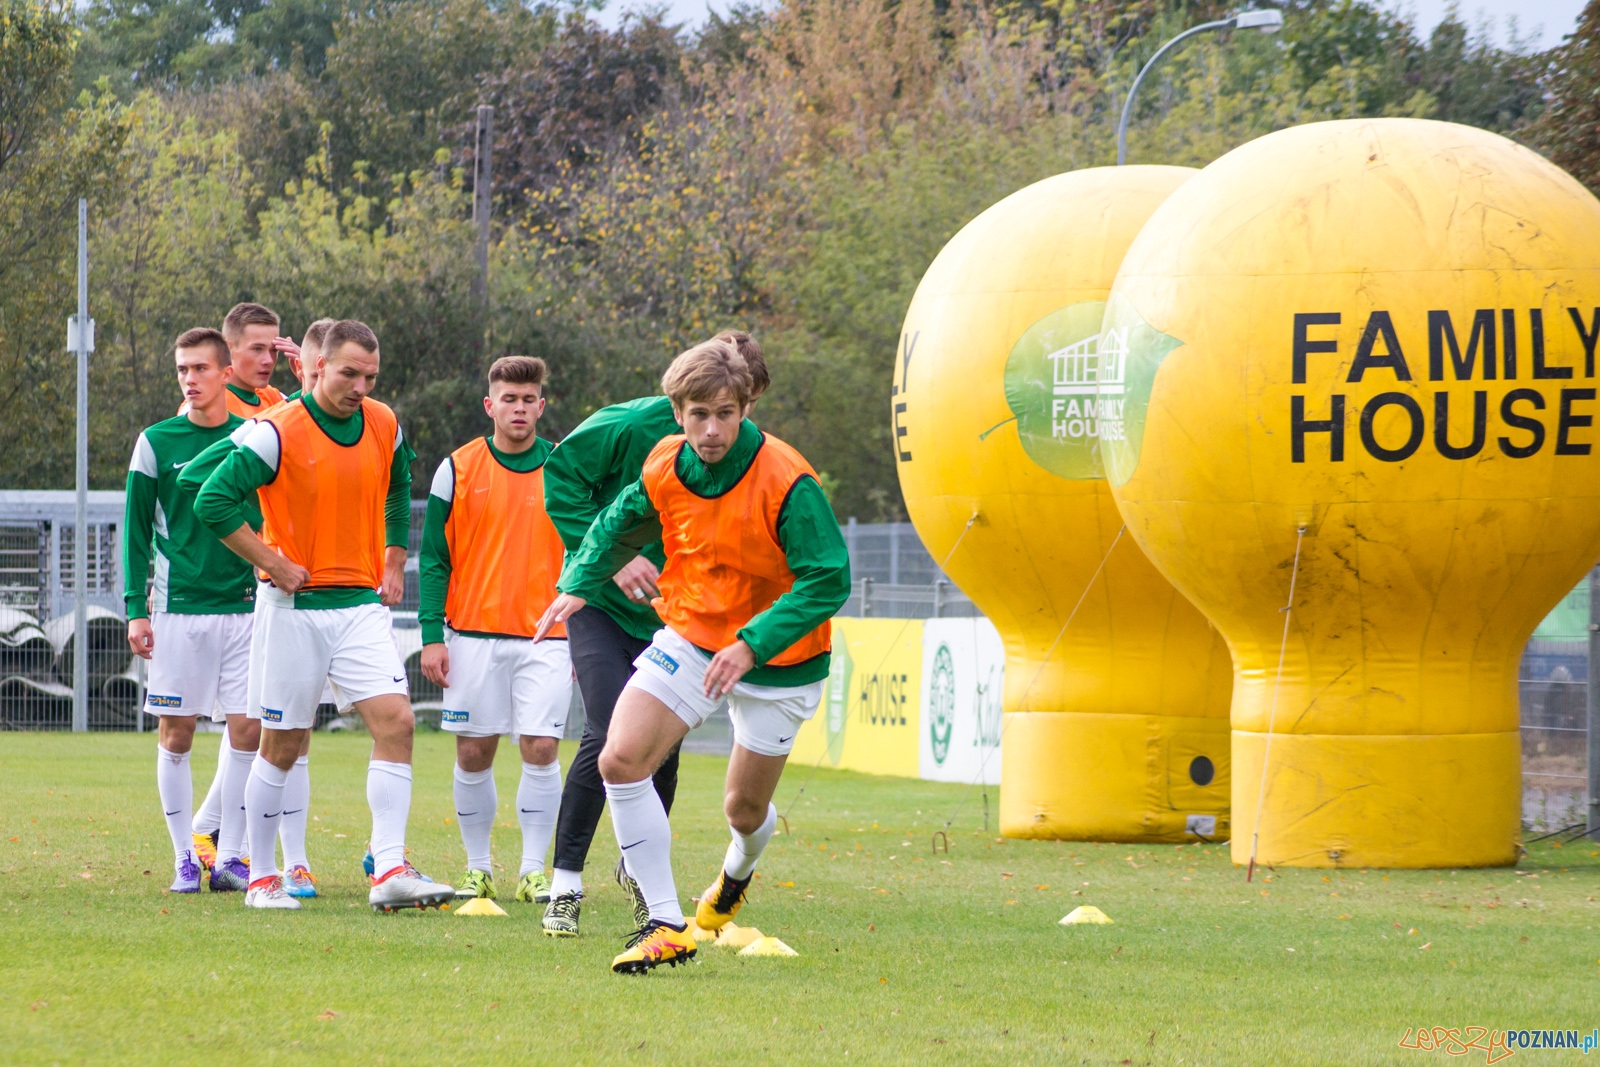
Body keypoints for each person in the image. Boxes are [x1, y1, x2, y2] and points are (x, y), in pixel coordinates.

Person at [535, 339, 850, 973]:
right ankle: (666, 923)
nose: (711, 430)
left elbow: (827, 578)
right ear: (675, 411)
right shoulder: (663, 462)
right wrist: (577, 584)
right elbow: (615, 521)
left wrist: (753, 642)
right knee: (620, 758)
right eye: (698, 414)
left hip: (779, 658)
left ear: (746, 407)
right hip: (693, 632)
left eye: (725, 414)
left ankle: (736, 873)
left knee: (744, 809)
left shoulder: (788, 480)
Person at [195, 319, 452, 911]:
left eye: (370, 376)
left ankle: (388, 867)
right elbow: (212, 499)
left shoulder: (384, 422)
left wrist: (392, 553)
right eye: (349, 373)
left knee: (398, 724)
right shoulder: (277, 431)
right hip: (294, 609)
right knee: (282, 744)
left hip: (360, 606)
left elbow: (397, 481)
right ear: (317, 368)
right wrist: (273, 563)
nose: (360, 386)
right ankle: (262, 877)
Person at [539, 330, 769, 938]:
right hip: (599, 603)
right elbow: (559, 477)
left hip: (677, 618)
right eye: (706, 409)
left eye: (736, 408)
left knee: (658, 745)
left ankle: (646, 885)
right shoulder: (629, 426)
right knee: (610, 729)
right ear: (683, 400)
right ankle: (564, 886)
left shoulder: (754, 456)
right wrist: (611, 562)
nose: (719, 427)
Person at [187, 317, 333, 897]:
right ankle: (232, 846)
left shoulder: (278, 403)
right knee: (260, 725)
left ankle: (252, 850)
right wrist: (263, 543)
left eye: (278, 348)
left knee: (279, 727)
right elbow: (198, 481)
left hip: (284, 591)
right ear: (229, 356)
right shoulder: (228, 415)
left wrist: (305, 385)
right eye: (257, 349)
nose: (269, 358)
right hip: (234, 590)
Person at [418, 356, 572, 906]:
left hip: (547, 636)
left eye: (529, 399)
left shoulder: (564, 466)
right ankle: (477, 868)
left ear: (541, 405)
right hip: (473, 636)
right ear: (490, 405)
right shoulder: (456, 468)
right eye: (509, 399)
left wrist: (584, 630)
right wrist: (431, 634)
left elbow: (585, 553)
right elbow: (434, 558)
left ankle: (533, 871)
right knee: (473, 752)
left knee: (541, 747)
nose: (520, 409)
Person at [124, 328, 259, 893]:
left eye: (201, 368)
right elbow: (133, 534)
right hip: (179, 613)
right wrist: (136, 609)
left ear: (227, 374)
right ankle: (185, 856)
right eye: (183, 369)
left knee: (250, 729)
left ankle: (229, 857)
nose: (190, 379)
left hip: (249, 610)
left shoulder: (253, 438)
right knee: (176, 734)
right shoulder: (156, 442)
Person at [178, 303, 295, 419]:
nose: (269, 360)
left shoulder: (275, 398)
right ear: (229, 348)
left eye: (274, 350)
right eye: (257, 349)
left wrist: (306, 372)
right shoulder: (199, 408)